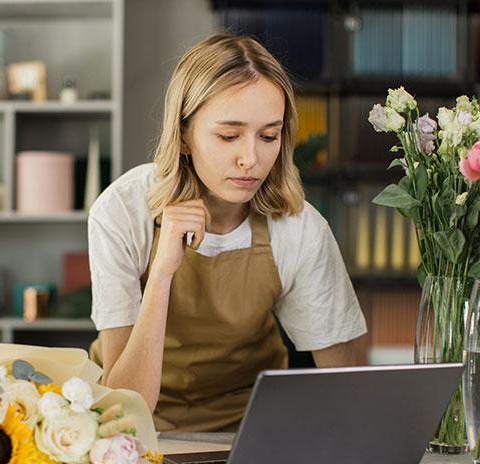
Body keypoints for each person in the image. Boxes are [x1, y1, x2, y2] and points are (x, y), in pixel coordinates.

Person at [88, 33, 366, 432]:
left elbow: (348, 391)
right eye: (228, 136)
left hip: (253, 430)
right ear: (183, 134)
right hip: (129, 429)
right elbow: (126, 407)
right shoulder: (120, 212)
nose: (250, 159)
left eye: (269, 136)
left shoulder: (299, 228)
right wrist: (163, 271)